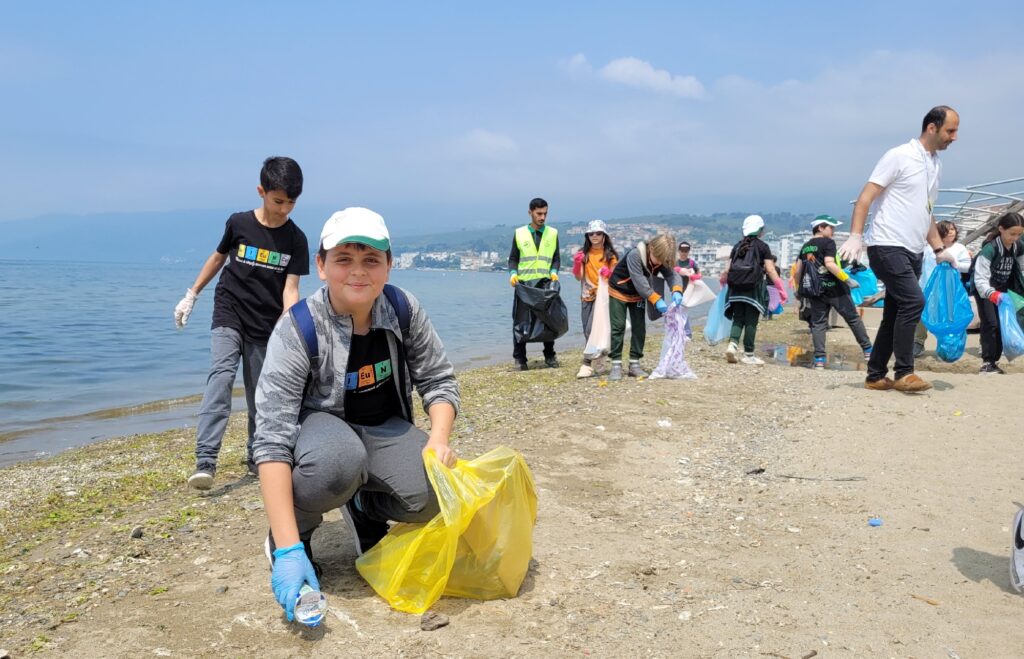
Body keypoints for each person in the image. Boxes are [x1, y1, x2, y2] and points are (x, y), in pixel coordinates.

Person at [252, 207, 460, 622]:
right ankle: (294, 535)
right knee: (337, 462)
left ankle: (364, 508)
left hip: (382, 427)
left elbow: (438, 380)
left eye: (371, 259)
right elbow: (272, 438)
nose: (358, 272)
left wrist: (438, 439)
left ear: (389, 264)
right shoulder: (298, 328)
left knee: (438, 493)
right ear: (321, 266)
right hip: (321, 435)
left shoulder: (403, 308)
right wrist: (289, 549)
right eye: (344, 259)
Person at [175, 157, 309, 490]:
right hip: (229, 309)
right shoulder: (239, 223)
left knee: (260, 395)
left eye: (291, 203)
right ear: (261, 191)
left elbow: (291, 289)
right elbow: (218, 258)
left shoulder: (296, 239)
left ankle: (256, 456)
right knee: (221, 376)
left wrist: (288, 324)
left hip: (266, 322)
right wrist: (192, 294)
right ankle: (206, 460)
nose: (284, 209)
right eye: (278, 201)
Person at [838, 105, 961, 392]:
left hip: (913, 249)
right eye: (950, 131)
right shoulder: (899, 155)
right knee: (914, 302)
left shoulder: (935, 165)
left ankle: (875, 375)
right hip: (886, 244)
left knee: (894, 312)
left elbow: (926, 211)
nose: (954, 137)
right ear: (932, 127)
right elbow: (866, 196)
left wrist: (938, 249)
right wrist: (856, 235)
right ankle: (905, 372)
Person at [793, 215, 873, 369]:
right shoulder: (828, 242)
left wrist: (798, 291)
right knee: (853, 319)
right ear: (820, 228)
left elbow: (798, 271)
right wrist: (847, 279)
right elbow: (829, 264)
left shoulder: (805, 246)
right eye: (831, 227)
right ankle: (868, 350)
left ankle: (819, 359)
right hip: (836, 289)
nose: (833, 231)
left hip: (815, 291)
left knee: (818, 324)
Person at [607, 234, 684, 380]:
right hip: (618, 290)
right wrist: (656, 299)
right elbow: (640, 281)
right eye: (658, 258)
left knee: (639, 328)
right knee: (618, 327)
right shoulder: (635, 255)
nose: (660, 262)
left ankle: (634, 363)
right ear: (651, 248)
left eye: (663, 260)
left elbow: (672, 275)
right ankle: (616, 364)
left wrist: (677, 290)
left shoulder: (661, 257)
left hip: (638, 295)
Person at [719, 215, 788, 365]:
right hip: (753, 288)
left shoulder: (737, 246)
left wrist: (723, 283)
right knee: (751, 321)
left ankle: (732, 345)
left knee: (738, 318)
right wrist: (781, 289)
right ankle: (749, 354)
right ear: (760, 231)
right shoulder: (763, 247)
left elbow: (727, 270)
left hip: (735, 288)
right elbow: (770, 269)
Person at [508, 198, 561, 370]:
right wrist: (513, 273)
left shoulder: (552, 233)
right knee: (520, 321)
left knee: (548, 320)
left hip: (545, 284)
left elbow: (556, 258)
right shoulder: (519, 233)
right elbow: (513, 258)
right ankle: (520, 359)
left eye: (545, 213)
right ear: (530, 212)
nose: (542, 217)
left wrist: (554, 271)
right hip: (524, 285)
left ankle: (550, 356)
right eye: (539, 213)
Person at [971, 212, 1024, 374]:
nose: (1015, 238)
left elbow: (1021, 268)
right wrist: (992, 294)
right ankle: (987, 362)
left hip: (1003, 290)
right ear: (1001, 229)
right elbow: (980, 278)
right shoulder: (990, 249)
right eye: (1012, 234)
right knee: (991, 323)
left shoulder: (1018, 246)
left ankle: (994, 362)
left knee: (1002, 324)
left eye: (1019, 234)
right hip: (985, 290)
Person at [914, 220, 972, 356]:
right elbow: (920, 265)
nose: (951, 232)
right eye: (947, 229)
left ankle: (946, 345)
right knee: (922, 314)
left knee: (948, 316)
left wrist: (954, 263)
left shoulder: (959, 248)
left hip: (949, 290)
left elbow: (968, 267)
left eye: (953, 229)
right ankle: (918, 342)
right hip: (927, 287)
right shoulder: (929, 248)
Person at [572, 220, 618, 378]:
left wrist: (609, 274)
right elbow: (579, 277)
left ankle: (586, 364)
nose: (595, 236)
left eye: (598, 233)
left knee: (592, 329)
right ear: (587, 236)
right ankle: (600, 357)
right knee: (587, 330)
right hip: (587, 296)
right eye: (591, 233)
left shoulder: (610, 255)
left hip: (604, 298)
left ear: (604, 235)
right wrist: (577, 263)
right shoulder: (583, 254)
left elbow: (616, 277)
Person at [674, 241, 702, 338]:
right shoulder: (675, 262)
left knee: (682, 311)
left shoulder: (691, 263)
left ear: (688, 251)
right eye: (682, 251)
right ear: (679, 251)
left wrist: (695, 276)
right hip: (676, 290)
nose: (684, 253)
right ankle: (682, 332)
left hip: (688, 291)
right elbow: (670, 273)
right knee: (677, 311)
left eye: (686, 251)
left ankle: (687, 333)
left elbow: (699, 274)